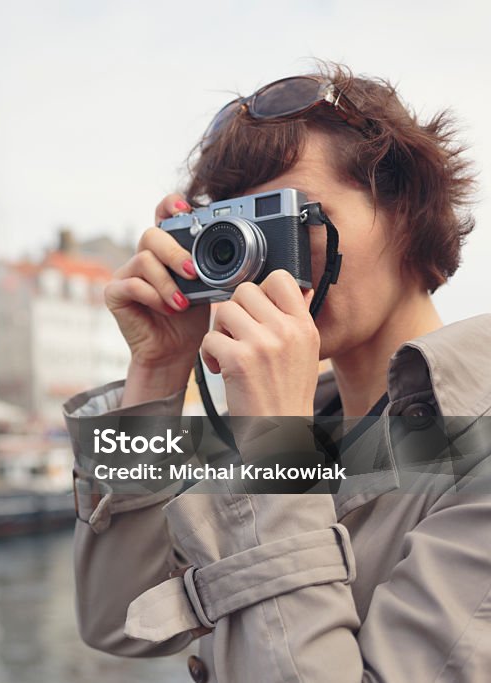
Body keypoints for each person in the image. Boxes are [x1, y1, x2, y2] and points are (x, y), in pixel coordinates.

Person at [65, 63, 490, 682]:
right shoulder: (300, 424)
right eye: (236, 235)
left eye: (296, 219)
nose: (260, 264)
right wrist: (156, 373)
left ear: (403, 213)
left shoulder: (471, 441)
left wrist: (273, 442)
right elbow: (116, 620)